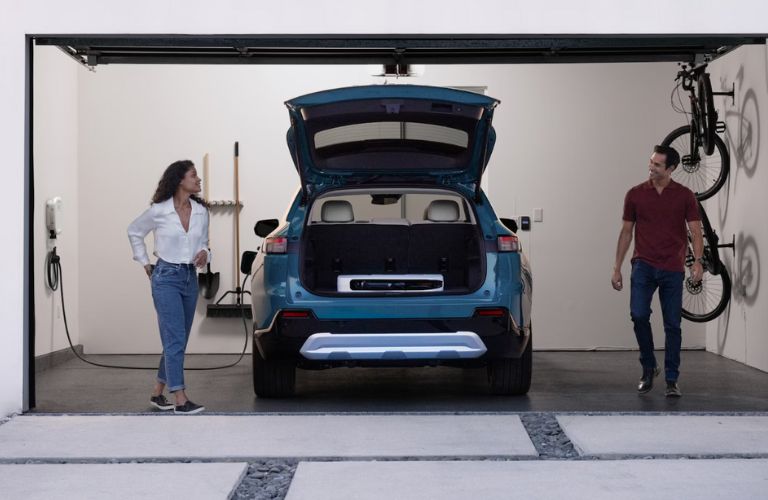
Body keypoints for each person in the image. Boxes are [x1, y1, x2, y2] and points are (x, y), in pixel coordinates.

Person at [611, 145, 704, 398]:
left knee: (672, 325)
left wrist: (697, 261)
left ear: (671, 168)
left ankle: (672, 379)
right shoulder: (635, 194)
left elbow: (696, 231)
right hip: (643, 265)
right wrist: (617, 267)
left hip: (672, 267)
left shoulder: (684, 196)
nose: (651, 167)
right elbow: (626, 233)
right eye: (651, 162)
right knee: (638, 314)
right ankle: (649, 366)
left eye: (657, 165)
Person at [128, 160, 210, 414]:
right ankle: (180, 398)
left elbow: (204, 242)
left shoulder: (201, 212)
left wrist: (205, 253)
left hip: (189, 278)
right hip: (165, 278)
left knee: (178, 339)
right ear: (179, 180)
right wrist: (145, 262)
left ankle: (157, 392)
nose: (198, 179)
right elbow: (134, 231)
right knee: (175, 338)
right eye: (194, 175)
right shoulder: (159, 211)